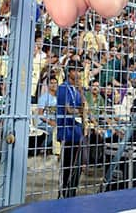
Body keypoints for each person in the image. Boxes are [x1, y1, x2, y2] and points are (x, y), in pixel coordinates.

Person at [56, 67, 85, 198]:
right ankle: (63, 192)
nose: (78, 73)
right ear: (69, 72)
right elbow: (68, 109)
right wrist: (79, 111)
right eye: (75, 70)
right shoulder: (63, 87)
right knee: (67, 165)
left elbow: (84, 106)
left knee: (76, 165)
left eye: (80, 71)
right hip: (67, 131)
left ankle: (72, 191)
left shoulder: (77, 89)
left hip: (77, 130)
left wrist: (81, 90)